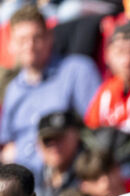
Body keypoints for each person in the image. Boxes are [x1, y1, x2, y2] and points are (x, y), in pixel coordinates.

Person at [0, 5, 100, 172]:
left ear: (49, 38)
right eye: (22, 40)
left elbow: (99, 129)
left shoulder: (76, 71)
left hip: (69, 175)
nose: (30, 46)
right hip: (23, 181)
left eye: (36, 37)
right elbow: (6, 142)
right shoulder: (13, 89)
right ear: (11, 45)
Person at [33, 111, 85, 196]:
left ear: (76, 135)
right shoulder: (35, 179)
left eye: (60, 137)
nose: (54, 145)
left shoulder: (91, 173)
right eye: (47, 140)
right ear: (38, 144)